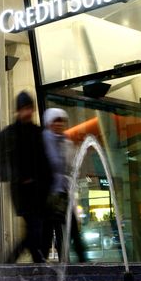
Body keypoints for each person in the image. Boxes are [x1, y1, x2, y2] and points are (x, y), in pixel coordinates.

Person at [0, 91, 53, 263]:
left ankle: (32, 262)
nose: (28, 112)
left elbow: (45, 161)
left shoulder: (38, 132)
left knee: (39, 230)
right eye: (24, 109)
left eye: (30, 108)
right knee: (34, 228)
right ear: (18, 111)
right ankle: (28, 262)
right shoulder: (9, 134)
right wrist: (18, 177)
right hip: (23, 191)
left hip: (41, 190)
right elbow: (1, 164)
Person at [42, 108, 88, 263]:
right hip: (49, 195)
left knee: (72, 229)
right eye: (56, 121)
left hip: (63, 194)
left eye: (61, 121)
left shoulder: (66, 143)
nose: (59, 124)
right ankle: (51, 265)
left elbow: (72, 167)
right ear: (49, 123)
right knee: (51, 232)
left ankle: (80, 262)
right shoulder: (43, 140)